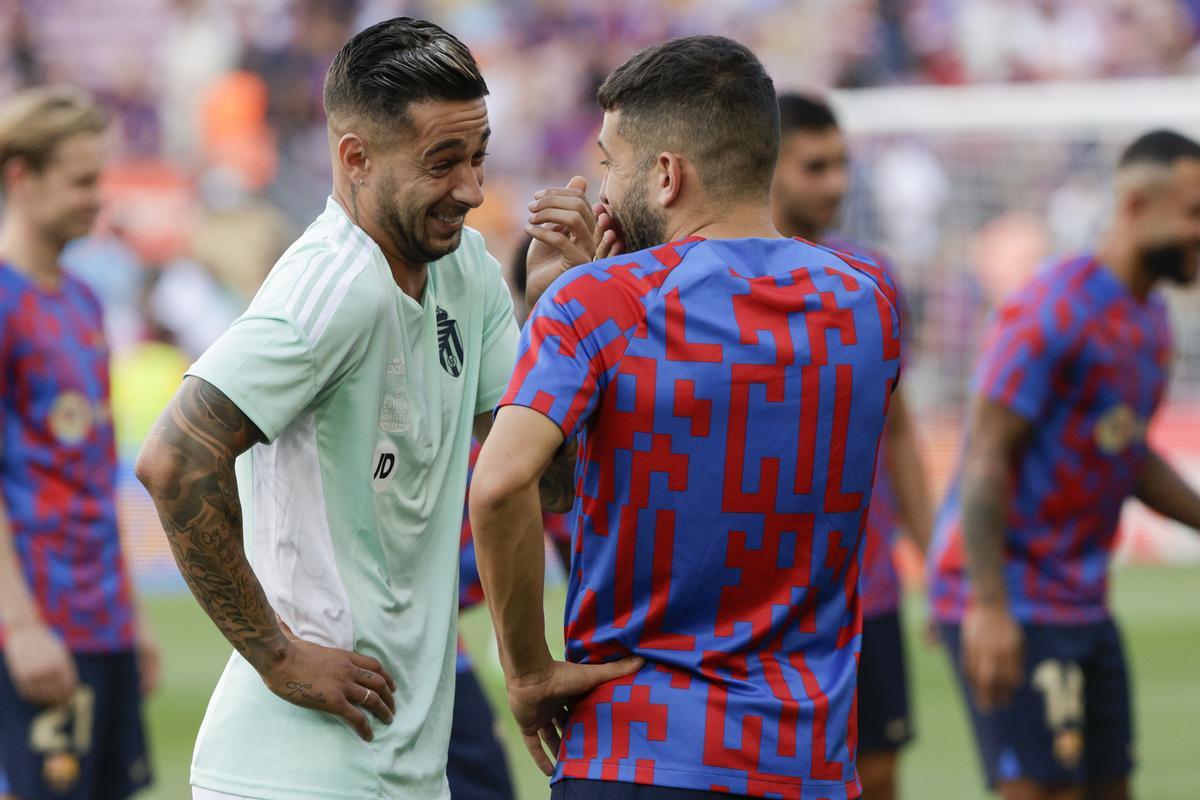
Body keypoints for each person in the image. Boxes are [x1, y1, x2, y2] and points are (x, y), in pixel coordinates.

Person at [470, 35, 902, 800]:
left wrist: (530, 671)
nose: (603, 192)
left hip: (638, 753)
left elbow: (508, 486)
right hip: (805, 765)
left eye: (610, 163)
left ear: (665, 174)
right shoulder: (867, 304)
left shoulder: (597, 306)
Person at [135, 17, 520, 800]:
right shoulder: (333, 288)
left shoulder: (468, 268)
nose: (473, 190)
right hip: (292, 773)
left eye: (479, 158)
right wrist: (277, 656)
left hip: (406, 761)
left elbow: (541, 477)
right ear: (356, 158)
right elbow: (173, 458)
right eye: (443, 162)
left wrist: (566, 299)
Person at [927, 129, 1200, 800]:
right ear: (1137, 206)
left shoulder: (1150, 322)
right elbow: (987, 454)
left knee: (1111, 787)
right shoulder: (1052, 307)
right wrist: (987, 607)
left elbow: (1128, 456)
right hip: (1012, 594)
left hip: (1082, 596)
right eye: (1195, 211)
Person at [770, 92, 934, 800]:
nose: (835, 183)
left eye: (841, 164)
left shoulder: (871, 279)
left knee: (879, 773)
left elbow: (896, 428)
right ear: (764, 165)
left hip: (868, 585)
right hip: (768, 589)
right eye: (815, 166)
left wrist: (936, 557)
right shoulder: (707, 276)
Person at [0, 87, 160, 800]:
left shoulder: (84, 302)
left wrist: (136, 616)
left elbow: (93, 476)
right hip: (37, 628)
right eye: (83, 180)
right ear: (20, 177)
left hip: (105, 623)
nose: (99, 198)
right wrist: (21, 627)